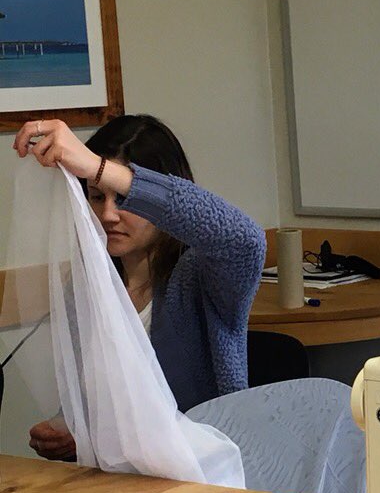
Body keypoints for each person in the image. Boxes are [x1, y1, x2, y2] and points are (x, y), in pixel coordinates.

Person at [11, 115, 266, 460]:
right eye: (96, 196)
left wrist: (98, 168)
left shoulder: (200, 276)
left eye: (125, 199)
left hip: (206, 475)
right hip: (120, 481)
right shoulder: (89, 285)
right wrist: (72, 431)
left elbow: (244, 241)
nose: (108, 215)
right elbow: (99, 403)